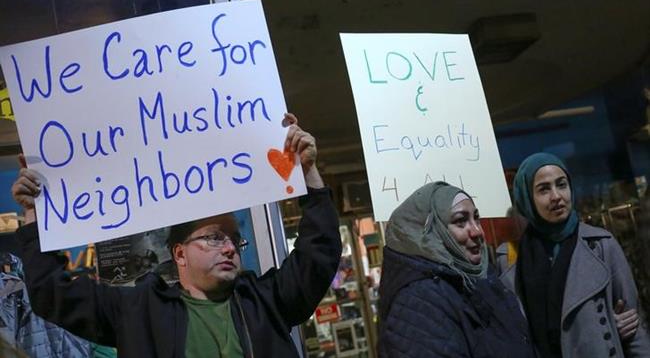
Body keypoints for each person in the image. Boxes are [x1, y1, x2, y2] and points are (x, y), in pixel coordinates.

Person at [11, 113, 342, 357]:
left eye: (233, 240)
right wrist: (33, 214)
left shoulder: (266, 300)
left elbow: (318, 253)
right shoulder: (137, 311)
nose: (229, 248)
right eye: (214, 237)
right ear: (179, 253)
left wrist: (308, 173)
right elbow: (51, 293)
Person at [501, 152, 650, 357]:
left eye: (561, 184)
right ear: (527, 198)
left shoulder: (601, 245)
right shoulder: (512, 258)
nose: (556, 196)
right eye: (544, 189)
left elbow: (634, 328)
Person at [378, 181, 536, 358]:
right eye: (461, 221)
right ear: (431, 232)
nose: (477, 231)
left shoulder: (479, 278)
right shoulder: (418, 302)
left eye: (476, 218)